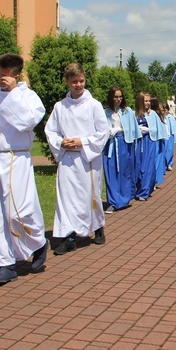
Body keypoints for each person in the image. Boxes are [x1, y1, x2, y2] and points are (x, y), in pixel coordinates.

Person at [0, 53, 48, 284]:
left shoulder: (29, 97)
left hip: (19, 158)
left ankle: (38, 242)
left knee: (20, 210)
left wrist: (13, 93)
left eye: (4, 75)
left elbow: (27, 121)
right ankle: (5, 264)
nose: (0, 79)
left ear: (16, 75)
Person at [45, 63, 110, 255]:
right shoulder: (60, 107)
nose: (78, 85)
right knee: (66, 199)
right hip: (67, 160)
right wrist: (61, 142)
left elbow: (102, 132)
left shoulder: (94, 105)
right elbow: (50, 131)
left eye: (81, 81)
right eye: (74, 82)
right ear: (67, 82)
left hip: (87, 159)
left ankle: (97, 226)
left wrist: (81, 141)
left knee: (89, 197)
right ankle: (69, 236)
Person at [103, 87, 141, 214]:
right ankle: (113, 201)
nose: (118, 99)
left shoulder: (127, 111)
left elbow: (132, 129)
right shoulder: (105, 112)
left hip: (124, 143)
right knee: (111, 172)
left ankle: (124, 198)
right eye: (116, 97)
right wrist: (109, 131)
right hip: (110, 145)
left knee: (124, 171)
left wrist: (119, 130)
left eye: (120, 96)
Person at [134, 92, 159, 200]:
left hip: (149, 141)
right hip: (137, 142)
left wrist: (148, 130)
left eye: (149, 101)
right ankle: (136, 188)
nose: (148, 103)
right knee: (138, 166)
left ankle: (144, 191)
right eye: (145, 101)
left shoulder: (152, 114)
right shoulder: (135, 114)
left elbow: (157, 129)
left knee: (147, 166)